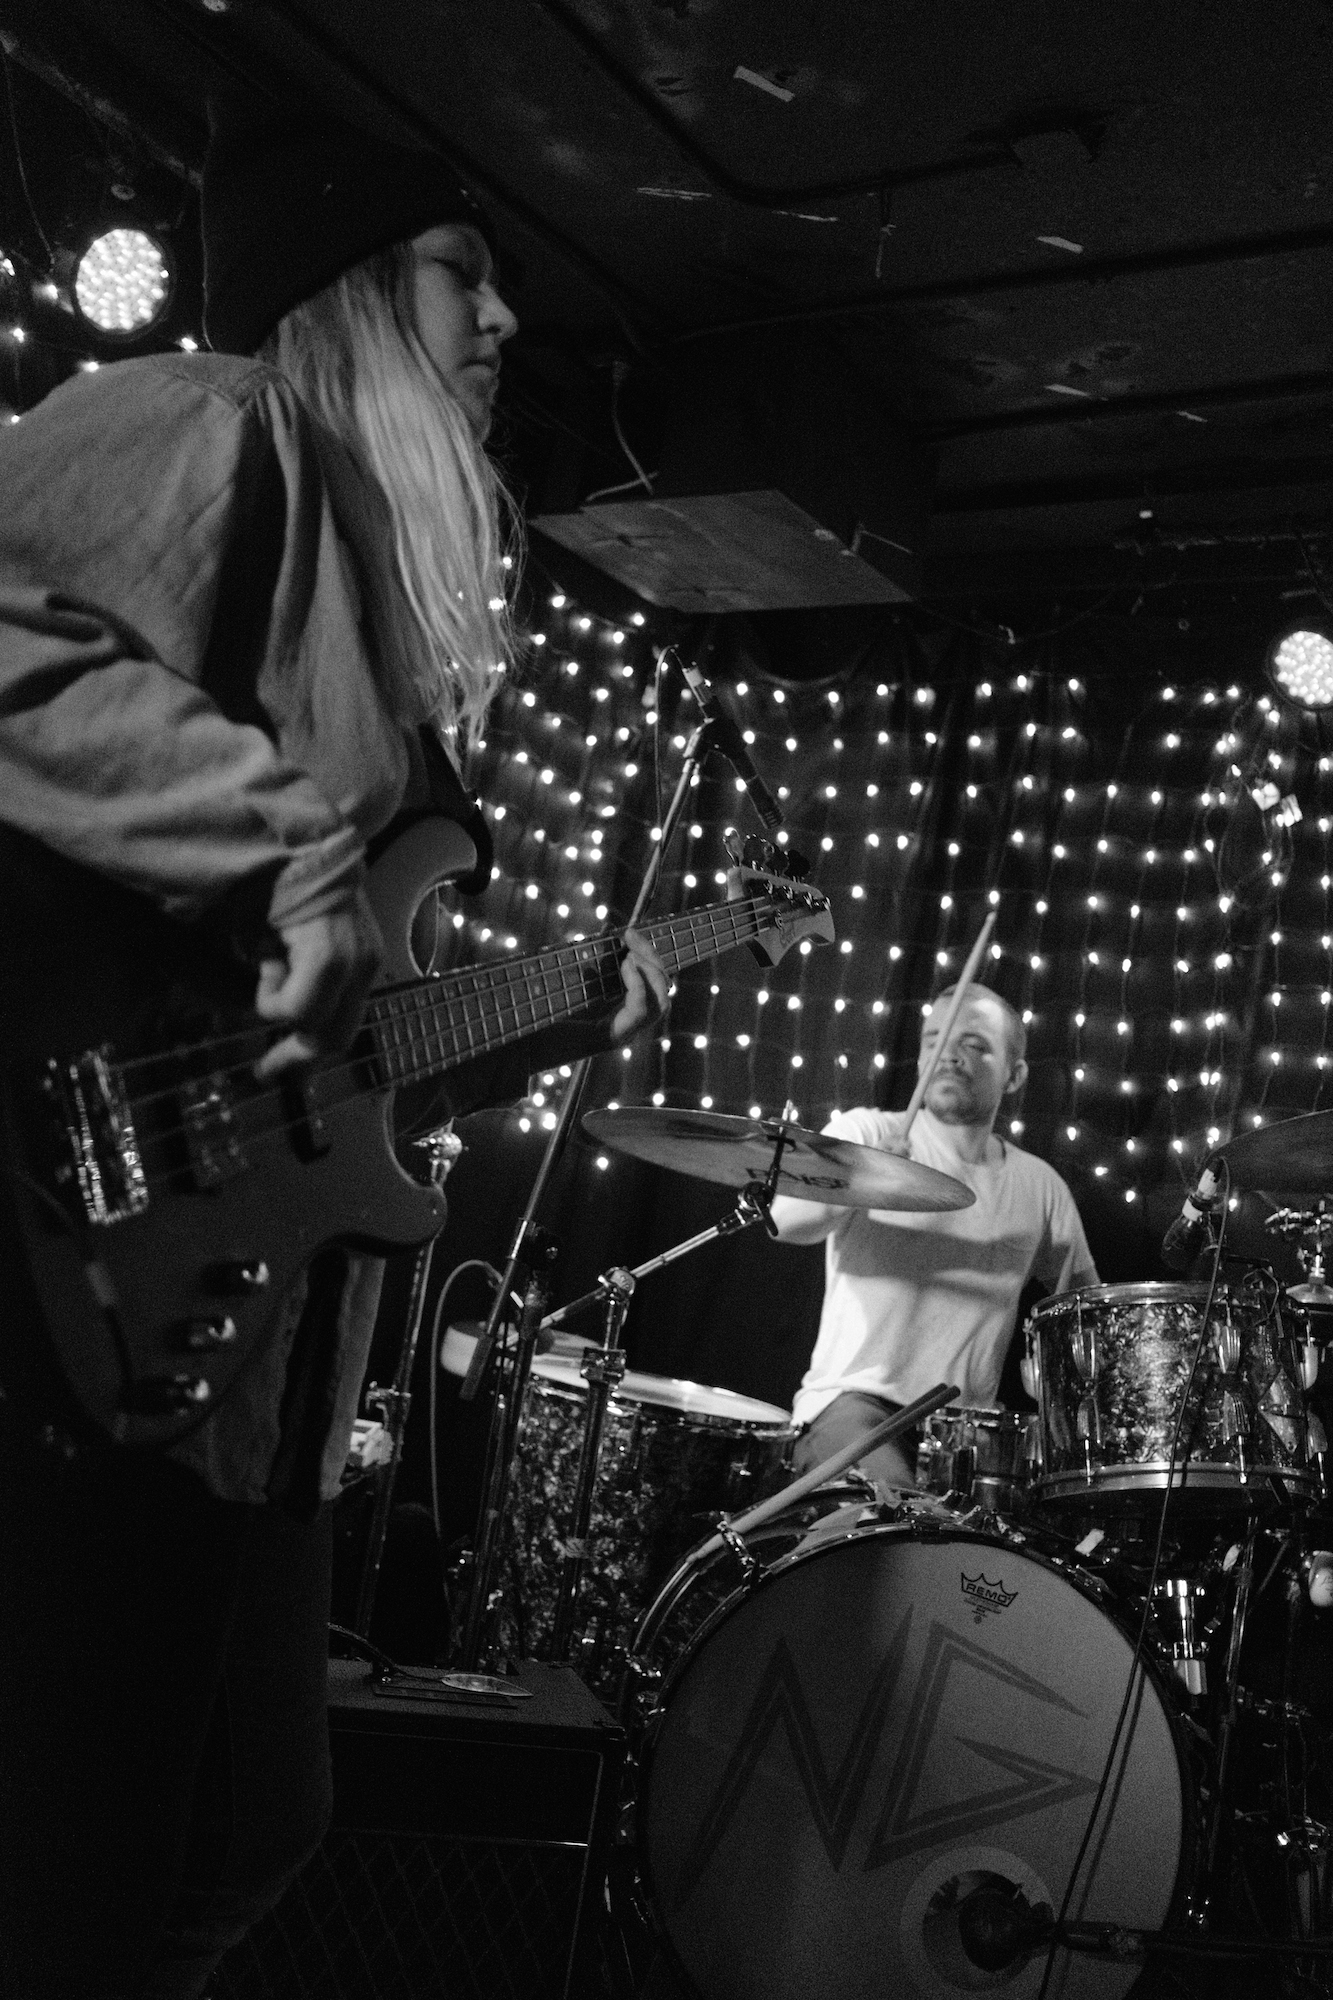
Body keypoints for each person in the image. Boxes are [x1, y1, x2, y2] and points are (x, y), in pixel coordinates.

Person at [0, 101, 666, 2000]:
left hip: (258, 1358)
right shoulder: (215, 418)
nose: (505, 321)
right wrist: (285, 851)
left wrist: (537, 1021)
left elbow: (329, 1044)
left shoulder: (374, 590)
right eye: (464, 275)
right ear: (349, 290)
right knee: (76, 1874)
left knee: (245, 1828)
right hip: (91, 1268)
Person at [771, 981, 1098, 1488]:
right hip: (855, 1407)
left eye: (975, 1044)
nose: (948, 1053)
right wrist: (863, 1178)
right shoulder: (867, 1134)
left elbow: (1085, 1315)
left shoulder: (1040, 1186)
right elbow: (786, 1222)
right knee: (894, 1522)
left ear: (1014, 1075)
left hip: (968, 1434)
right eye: (934, 1040)